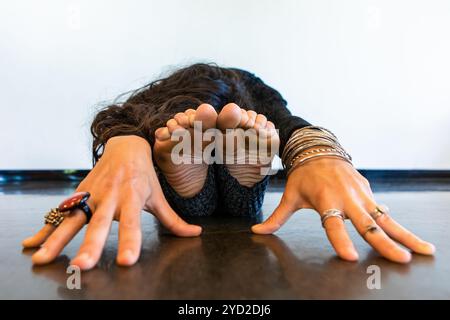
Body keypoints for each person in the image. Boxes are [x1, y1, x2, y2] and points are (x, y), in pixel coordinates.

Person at [22, 63, 435, 270]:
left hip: (192, 160)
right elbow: (291, 125)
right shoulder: (261, 106)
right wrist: (126, 145)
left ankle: (200, 179)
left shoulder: (245, 97)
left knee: (196, 169)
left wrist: (319, 155)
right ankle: (221, 176)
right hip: (218, 159)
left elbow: (289, 125)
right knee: (226, 187)